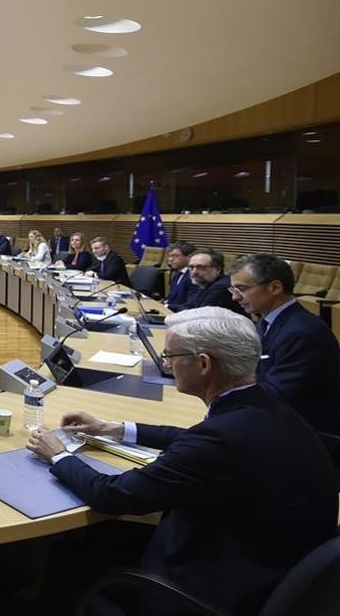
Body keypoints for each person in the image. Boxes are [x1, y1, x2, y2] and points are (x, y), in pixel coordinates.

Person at [26, 307, 337, 615]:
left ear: (203, 364)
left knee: (69, 559)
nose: (165, 363)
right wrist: (115, 428)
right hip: (266, 563)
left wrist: (58, 454)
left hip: (209, 588)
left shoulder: (220, 439)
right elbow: (195, 438)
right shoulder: (262, 406)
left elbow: (113, 494)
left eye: (170, 356)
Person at [228, 253, 340, 434]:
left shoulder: (301, 333)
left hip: (305, 436)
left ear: (275, 287)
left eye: (241, 289)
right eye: (233, 290)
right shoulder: (267, 321)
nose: (235, 297)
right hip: (278, 420)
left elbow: (275, 394)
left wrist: (222, 397)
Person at [182, 249, 243, 314]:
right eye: (191, 267)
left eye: (201, 267)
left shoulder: (220, 288)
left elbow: (200, 316)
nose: (194, 272)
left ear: (217, 269)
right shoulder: (205, 284)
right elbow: (187, 308)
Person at [163, 241, 197, 309]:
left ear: (189, 257)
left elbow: (190, 306)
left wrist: (167, 306)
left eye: (175, 256)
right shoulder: (178, 273)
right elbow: (172, 298)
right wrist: (164, 302)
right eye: (170, 256)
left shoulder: (194, 277)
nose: (170, 260)